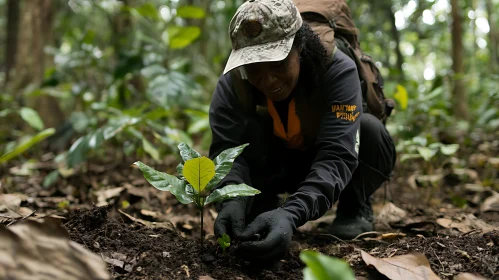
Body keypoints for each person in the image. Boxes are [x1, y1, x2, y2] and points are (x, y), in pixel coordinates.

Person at [208, 0, 396, 264]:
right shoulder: (234, 83)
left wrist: (292, 214)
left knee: (369, 130)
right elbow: (226, 148)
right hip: (279, 164)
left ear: (300, 47)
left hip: (330, 162)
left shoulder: (337, 69)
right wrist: (231, 198)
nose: (268, 79)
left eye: (278, 64)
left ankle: (355, 206)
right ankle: (259, 205)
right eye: (255, 68)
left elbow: (338, 154)